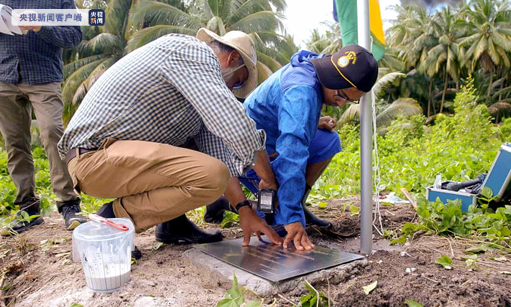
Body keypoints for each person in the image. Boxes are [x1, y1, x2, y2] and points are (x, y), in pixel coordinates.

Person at [58, 29, 283, 258]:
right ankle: (111, 221)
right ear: (232, 58)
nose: (232, 89)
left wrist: (244, 210)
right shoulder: (192, 52)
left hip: (117, 159)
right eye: (238, 82)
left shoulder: (195, 102)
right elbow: (237, 127)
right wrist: (268, 179)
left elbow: (220, 156)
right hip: (93, 157)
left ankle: (172, 224)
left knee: (209, 163)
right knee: (212, 175)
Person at [206, 45, 378, 250]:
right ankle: (227, 202)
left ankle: (293, 205)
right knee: (279, 225)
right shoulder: (302, 94)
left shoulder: (317, 67)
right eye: (342, 96)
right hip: (244, 152)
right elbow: (291, 157)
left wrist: (312, 121)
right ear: (331, 78)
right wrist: (292, 218)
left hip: (271, 139)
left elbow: (288, 117)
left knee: (328, 141)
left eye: (350, 101)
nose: (340, 105)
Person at [0, 0, 85, 236]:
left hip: (43, 76)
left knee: (53, 134)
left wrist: (41, 27)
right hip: (4, 74)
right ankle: (28, 209)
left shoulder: (59, 1)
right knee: (14, 142)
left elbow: (73, 36)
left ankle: (68, 204)